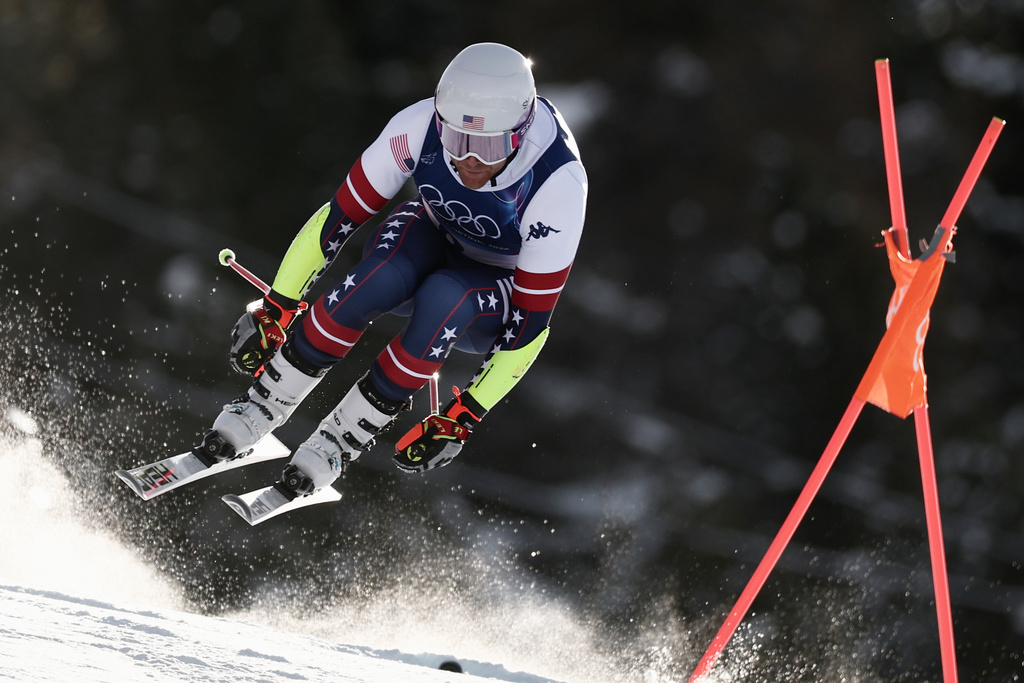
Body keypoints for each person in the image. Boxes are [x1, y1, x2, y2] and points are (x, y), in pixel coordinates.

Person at [195, 42, 588, 498]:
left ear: (519, 134)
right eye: (458, 141)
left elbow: (531, 323)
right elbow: (336, 218)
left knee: (446, 298)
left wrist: (467, 413)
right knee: (376, 278)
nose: (469, 161)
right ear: (441, 121)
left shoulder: (559, 182)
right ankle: (261, 405)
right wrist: (278, 305)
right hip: (434, 233)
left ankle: (338, 443)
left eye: (489, 146)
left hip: (494, 285)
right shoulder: (417, 127)